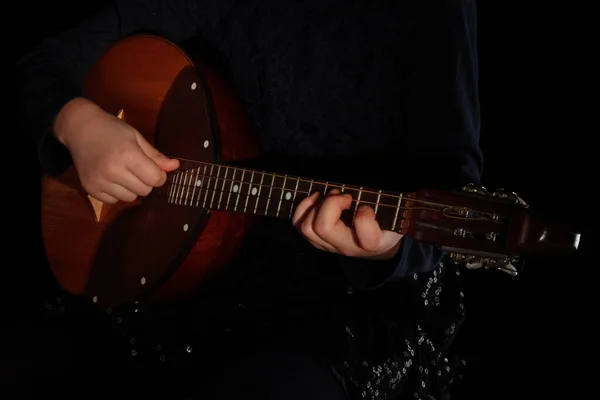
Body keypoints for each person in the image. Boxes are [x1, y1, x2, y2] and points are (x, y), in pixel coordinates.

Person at [15, 0, 483, 399]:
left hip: (352, 300)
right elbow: (43, 63)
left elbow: (455, 192)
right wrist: (76, 122)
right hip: (201, 249)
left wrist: (386, 248)